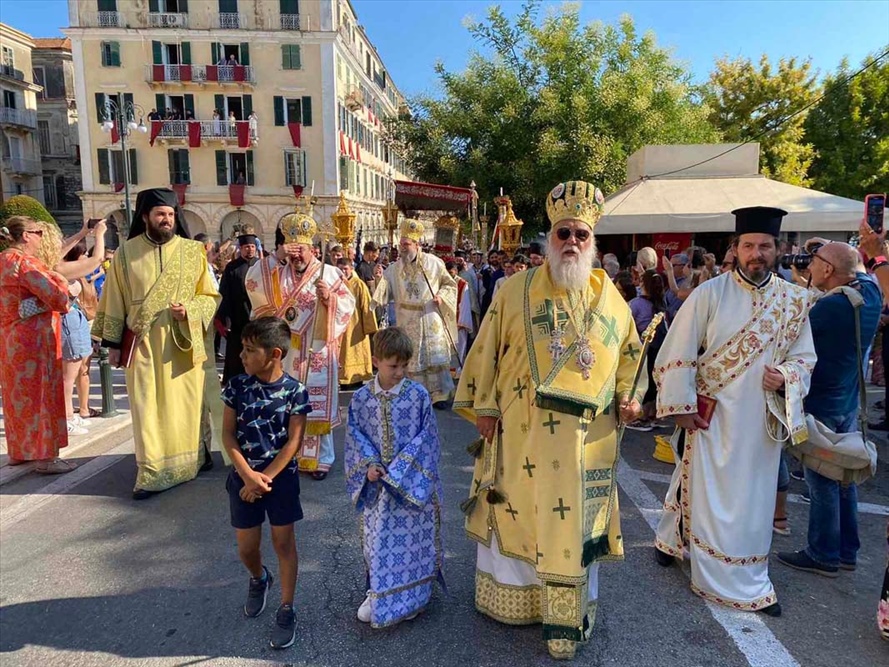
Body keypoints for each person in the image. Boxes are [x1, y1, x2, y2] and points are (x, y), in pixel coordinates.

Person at [454, 181, 644, 660]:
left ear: (592, 240)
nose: (572, 242)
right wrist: (484, 407)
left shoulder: (610, 299)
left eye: (581, 234)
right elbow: (486, 349)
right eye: (564, 233)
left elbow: (631, 355)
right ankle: (512, 599)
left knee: (571, 522)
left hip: (585, 440)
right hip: (521, 432)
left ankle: (568, 608)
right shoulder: (512, 289)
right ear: (549, 237)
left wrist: (629, 396)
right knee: (520, 506)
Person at [652, 206, 817, 617]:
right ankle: (715, 572)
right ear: (736, 248)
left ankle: (745, 572)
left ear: (777, 249)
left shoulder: (794, 302)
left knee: (750, 501)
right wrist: (681, 406)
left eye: (764, 245)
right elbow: (678, 351)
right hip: (714, 415)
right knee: (702, 486)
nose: (756, 253)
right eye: (748, 245)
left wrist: (786, 376)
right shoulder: (710, 293)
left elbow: (806, 358)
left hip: (761, 422)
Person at [93, 188, 221, 500]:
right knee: (147, 405)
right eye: (160, 214)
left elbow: (210, 296)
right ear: (146, 216)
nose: (166, 220)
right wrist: (112, 345)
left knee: (186, 406)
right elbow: (113, 300)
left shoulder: (193, 252)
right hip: (144, 343)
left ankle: (193, 458)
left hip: (183, 340)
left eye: (171, 214)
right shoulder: (125, 253)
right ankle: (151, 471)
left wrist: (189, 310)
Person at [776, 242, 880, 576]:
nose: (810, 266)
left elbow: (788, 335)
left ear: (828, 270)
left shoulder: (828, 309)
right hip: (849, 401)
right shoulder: (870, 295)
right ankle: (847, 549)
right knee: (845, 477)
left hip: (820, 404)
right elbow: (860, 272)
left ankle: (823, 553)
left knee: (821, 480)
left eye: (815, 262)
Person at [344, 327, 445, 627]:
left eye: (404, 365)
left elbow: (427, 439)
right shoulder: (361, 399)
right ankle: (379, 594)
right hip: (377, 488)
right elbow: (355, 435)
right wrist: (370, 466)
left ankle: (412, 597)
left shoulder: (418, 396)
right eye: (393, 366)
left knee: (414, 545)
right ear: (376, 361)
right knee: (377, 543)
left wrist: (399, 472)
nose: (400, 372)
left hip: (413, 488)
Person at [245, 205, 355, 479]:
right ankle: (288, 456)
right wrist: (279, 255)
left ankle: (319, 460)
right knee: (287, 405)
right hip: (287, 352)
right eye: (291, 250)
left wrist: (329, 299)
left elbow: (348, 306)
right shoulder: (277, 273)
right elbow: (254, 284)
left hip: (317, 349)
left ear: (312, 249)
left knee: (315, 407)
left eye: (301, 250)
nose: (296, 256)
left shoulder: (328, 274)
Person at [222, 316, 311, 650]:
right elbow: (228, 433)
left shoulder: (295, 391)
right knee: (247, 548)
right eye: (242, 349)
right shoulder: (236, 386)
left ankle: (287, 607)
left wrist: (264, 479)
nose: (242, 356)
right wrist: (247, 476)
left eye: (249, 350)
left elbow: (293, 442)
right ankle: (259, 578)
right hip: (244, 477)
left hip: (280, 480)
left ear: (275, 354)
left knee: (283, 543)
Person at [0, 217, 76, 474]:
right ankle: (45, 457)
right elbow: (59, 298)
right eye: (38, 233)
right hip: (35, 340)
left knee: (16, 396)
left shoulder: (2, 261)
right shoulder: (25, 263)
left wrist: (23, 309)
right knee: (43, 393)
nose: (41, 237)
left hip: (8, 339)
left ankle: (19, 452)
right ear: (25, 236)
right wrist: (64, 284)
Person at [371, 219, 457, 408]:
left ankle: (439, 395)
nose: (402, 248)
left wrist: (441, 297)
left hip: (429, 316)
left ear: (417, 245)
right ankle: (411, 394)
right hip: (406, 319)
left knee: (433, 357)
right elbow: (384, 293)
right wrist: (378, 279)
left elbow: (449, 284)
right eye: (401, 244)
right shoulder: (394, 268)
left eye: (406, 244)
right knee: (409, 358)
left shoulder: (434, 263)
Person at [626, 269, 667, 431]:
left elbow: (627, 325)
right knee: (654, 380)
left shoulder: (636, 304)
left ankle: (640, 415)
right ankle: (652, 414)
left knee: (641, 380)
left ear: (643, 284)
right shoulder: (661, 304)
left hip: (642, 348)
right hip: (659, 347)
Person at [218, 232, 260, 383]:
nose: (249, 250)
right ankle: (234, 381)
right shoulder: (231, 267)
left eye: (252, 247)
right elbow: (224, 294)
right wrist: (225, 320)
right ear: (241, 249)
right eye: (246, 247)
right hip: (237, 318)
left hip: (256, 317)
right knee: (236, 351)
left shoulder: (261, 265)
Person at [336, 256, 378, 387]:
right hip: (338, 327)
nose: (343, 272)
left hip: (356, 327)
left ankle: (358, 378)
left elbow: (366, 306)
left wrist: (369, 328)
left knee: (355, 351)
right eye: (340, 269)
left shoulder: (359, 284)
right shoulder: (333, 284)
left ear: (352, 269)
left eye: (345, 269)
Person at [446, 260, 474, 366]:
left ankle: (458, 370)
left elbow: (465, 304)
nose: (449, 275)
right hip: (446, 320)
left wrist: (462, 322)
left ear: (456, 271)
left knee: (459, 348)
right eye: (447, 273)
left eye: (451, 273)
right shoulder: (443, 282)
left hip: (459, 321)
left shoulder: (462, 284)